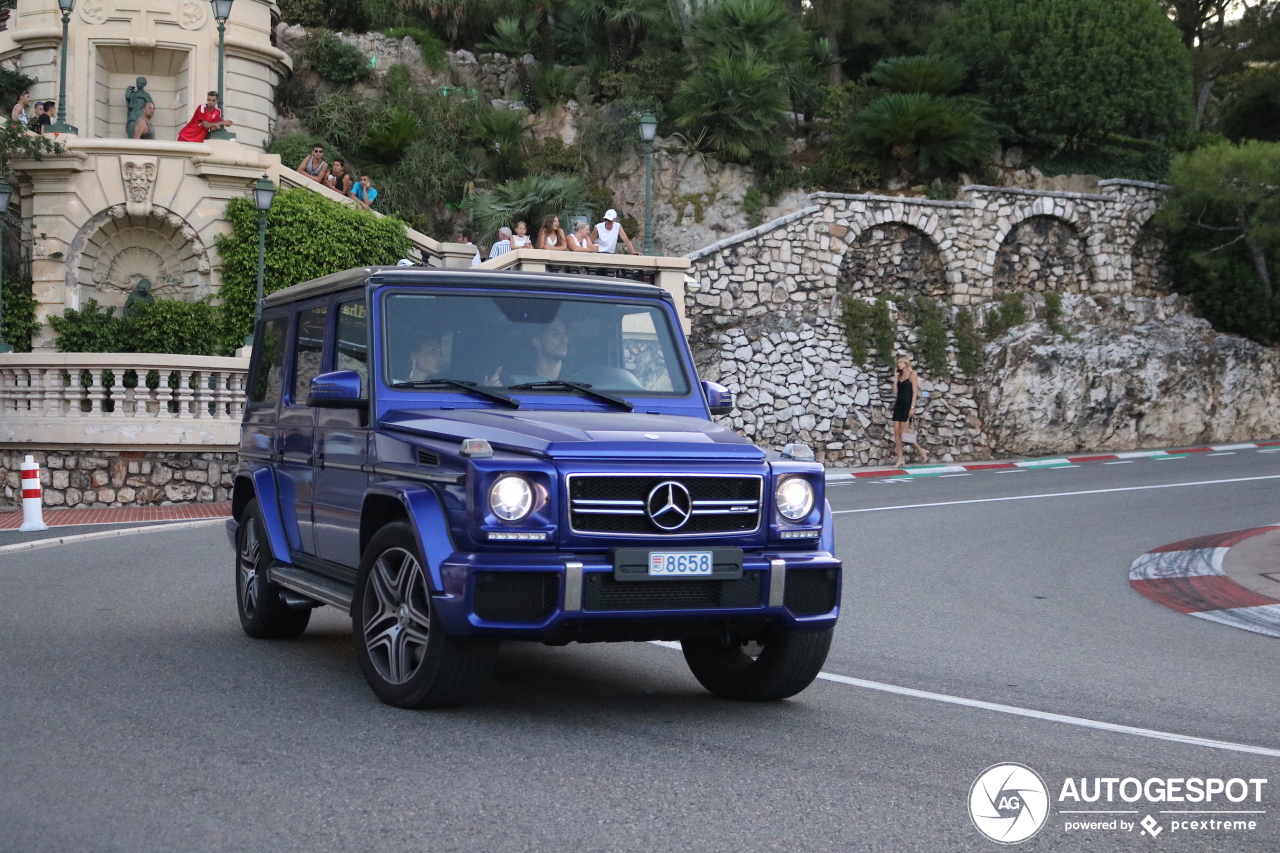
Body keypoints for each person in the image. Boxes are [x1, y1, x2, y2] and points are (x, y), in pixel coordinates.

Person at [891, 355, 929, 468]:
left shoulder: (913, 374)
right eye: (898, 363)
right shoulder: (900, 375)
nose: (899, 365)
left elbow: (914, 392)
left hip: (907, 405)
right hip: (899, 404)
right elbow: (895, 392)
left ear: (906, 363)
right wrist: (895, 377)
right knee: (896, 433)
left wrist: (912, 408)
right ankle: (900, 459)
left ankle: (921, 450)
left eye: (901, 363)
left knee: (905, 433)